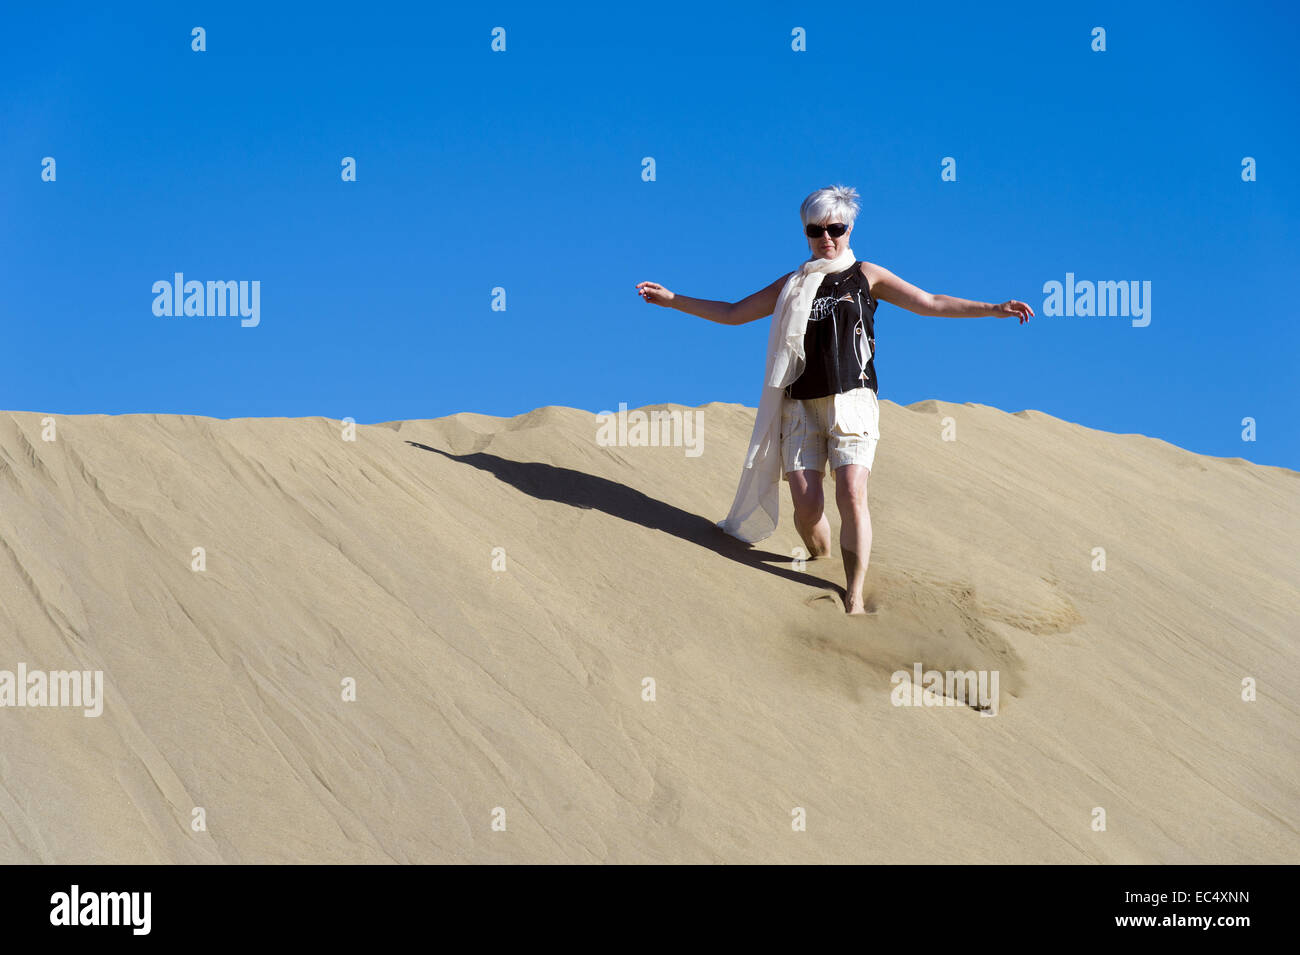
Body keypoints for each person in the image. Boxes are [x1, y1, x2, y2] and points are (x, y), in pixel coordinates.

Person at [636, 184, 1032, 614]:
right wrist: (673, 301)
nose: (826, 237)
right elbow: (734, 313)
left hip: (853, 401)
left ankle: (854, 594)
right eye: (815, 230)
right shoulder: (792, 283)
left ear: (849, 228)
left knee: (851, 492)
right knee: (807, 507)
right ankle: (821, 558)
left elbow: (930, 302)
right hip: (801, 402)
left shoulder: (867, 275)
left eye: (836, 228)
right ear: (805, 232)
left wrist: (992, 308)